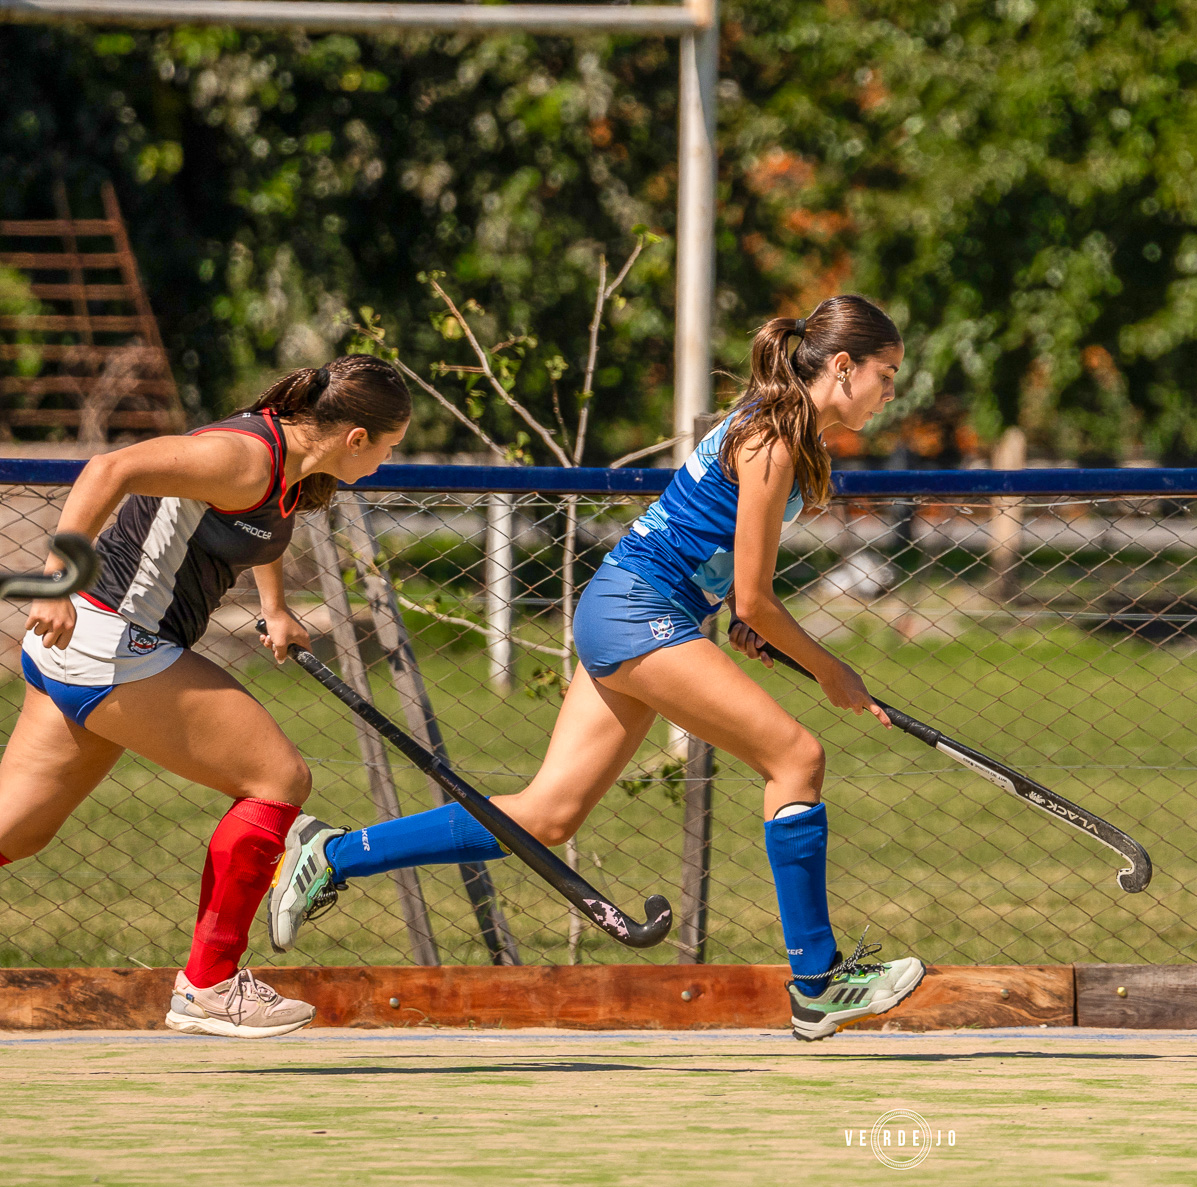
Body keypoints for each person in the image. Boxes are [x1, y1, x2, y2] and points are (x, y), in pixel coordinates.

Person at [269, 295, 925, 1041]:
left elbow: (735, 585)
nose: (890, 393)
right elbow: (755, 597)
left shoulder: (784, 434)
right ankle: (818, 983)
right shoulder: (773, 440)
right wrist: (831, 669)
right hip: (638, 611)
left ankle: (334, 854)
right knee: (796, 758)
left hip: (633, 607)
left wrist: (746, 623)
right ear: (842, 367)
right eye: (886, 374)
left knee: (549, 814)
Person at [0, 356, 412, 1038]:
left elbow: (259, 529)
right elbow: (108, 468)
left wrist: (274, 609)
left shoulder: (286, 466)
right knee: (279, 780)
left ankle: (209, 987)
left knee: (16, 831)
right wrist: (55, 582)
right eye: (389, 448)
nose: (386, 462)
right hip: (111, 641)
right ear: (356, 438)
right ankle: (209, 987)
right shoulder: (243, 457)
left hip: (90, 651)